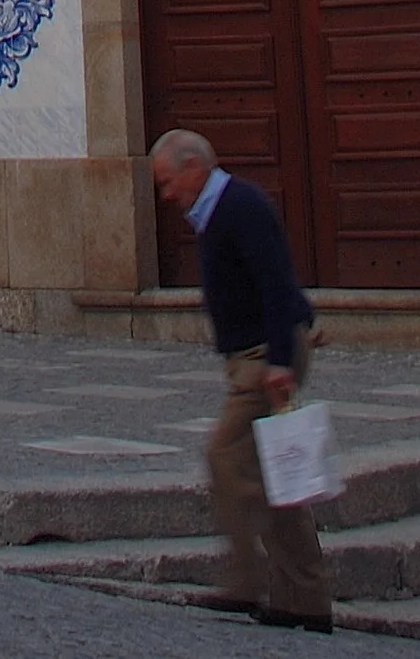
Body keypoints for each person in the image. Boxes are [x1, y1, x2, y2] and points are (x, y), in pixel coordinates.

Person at [150, 129, 333, 632]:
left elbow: (275, 281)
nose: (167, 195)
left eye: (168, 183)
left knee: (225, 455)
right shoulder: (220, 210)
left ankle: (247, 580)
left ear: (194, 168)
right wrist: (304, 320)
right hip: (258, 354)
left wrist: (280, 357)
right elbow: (274, 280)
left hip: (261, 361)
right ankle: (305, 599)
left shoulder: (238, 207)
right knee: (279, 478)